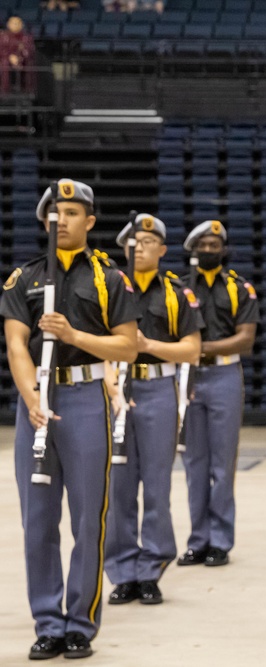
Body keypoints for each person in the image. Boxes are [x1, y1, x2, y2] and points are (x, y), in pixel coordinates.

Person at [0, 179, 139, 660]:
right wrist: (30, 395)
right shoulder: (24, 278)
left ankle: (80, 622)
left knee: (87, 517)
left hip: (84, 396)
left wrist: (74, 332)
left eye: (74, 212)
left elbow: (128, 345)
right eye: (55, 213)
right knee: (37, 520)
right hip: (36, 402)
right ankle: (47, 621)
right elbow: (16, 343)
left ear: (91, 221)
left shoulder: (109, 278)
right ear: (44, 220)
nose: (62, 220)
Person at [104, 214, 203, 606]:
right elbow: (100, 344)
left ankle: (151, 568)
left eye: (147, 242)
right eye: (133, 242)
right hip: (117, 392)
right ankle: (122, 570)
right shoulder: (112, 288)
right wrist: (111, 387)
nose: (138, 247)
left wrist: (146, 345)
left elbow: (192, 350)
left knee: (157, 486)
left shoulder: (176, 293)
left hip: (159, 387)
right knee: (119, 487)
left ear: (162, 250)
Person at [176, 220, 259, 568]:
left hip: (225, 373)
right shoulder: (179, 289)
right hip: (189, 376)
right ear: (194, 251)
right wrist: (190, 353)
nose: (209, 250)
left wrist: (199, 346)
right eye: (203, 246)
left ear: (224, 250)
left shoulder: (240, 288)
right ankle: (198, 540)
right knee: (194, 463)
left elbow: (245, 339)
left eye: (215, 245)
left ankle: (220, 541)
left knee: (222, 465)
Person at [0, 16, 36, 95]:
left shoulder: (26, 37)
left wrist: (19, 58)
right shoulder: (2, 36)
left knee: (29, 64)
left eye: (17, 23)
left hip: (21, 60)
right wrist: (9, 57)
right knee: (4, 63)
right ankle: (4, 92)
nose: (15, 25)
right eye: (13, 23)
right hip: (5, 60)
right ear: (8, 24)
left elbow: (29, 51)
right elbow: (2, 50)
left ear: (21, 25)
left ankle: (27, 92)